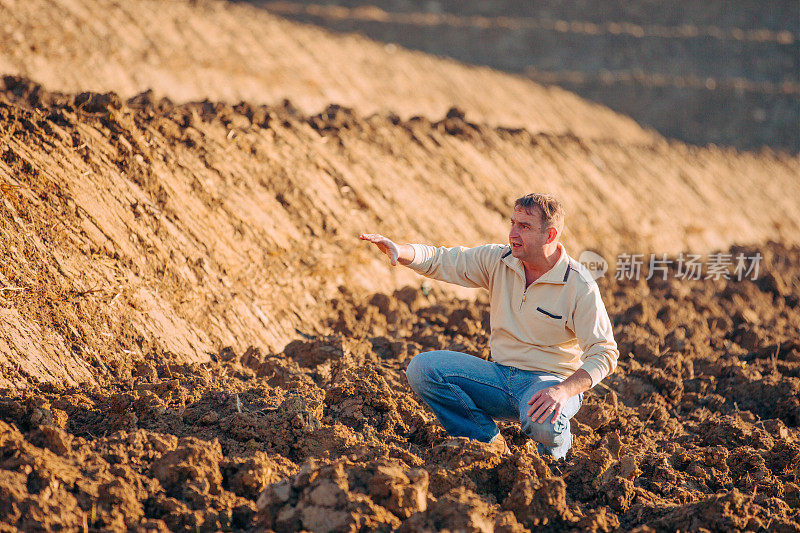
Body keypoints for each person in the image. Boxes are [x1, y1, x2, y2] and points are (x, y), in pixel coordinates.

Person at [359, 193, 618, 459]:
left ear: (550, 236)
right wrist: (401, 251)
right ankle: (487, 442)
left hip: (547, 385)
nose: (513, 233)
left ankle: (555, 459)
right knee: (423, 369)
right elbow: (443, 259)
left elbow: (605, 353)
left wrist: (562, 391)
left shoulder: (580, 286)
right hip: (498, 376)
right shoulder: (499, 260)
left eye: (524, 227)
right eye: (513, 223)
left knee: (543, 421)